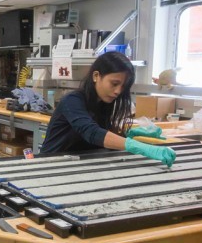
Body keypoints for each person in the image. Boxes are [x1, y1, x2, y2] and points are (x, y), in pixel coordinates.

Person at [40, 51, 176, 167]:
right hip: (51, 164)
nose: (118, 91)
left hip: (76, 164)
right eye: (114, 83)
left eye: (123, 86)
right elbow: (91, 132)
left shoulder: (104, 102)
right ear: (96, 76)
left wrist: (127, 134)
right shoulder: (72, 101)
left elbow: (99, 137)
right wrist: (138, 146)